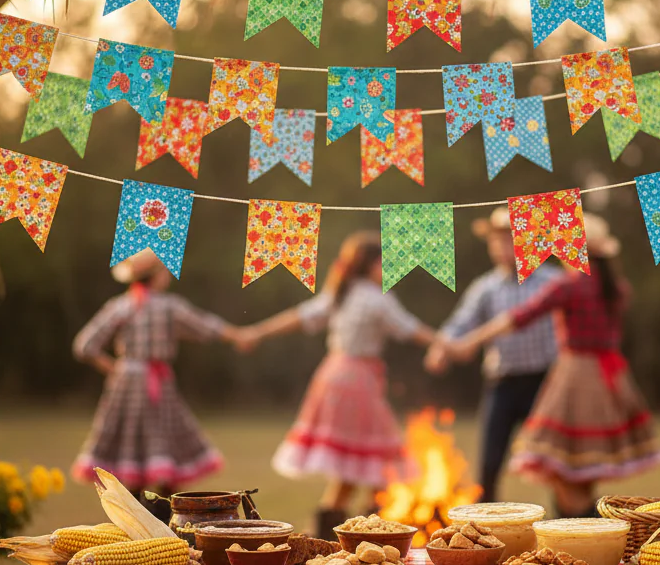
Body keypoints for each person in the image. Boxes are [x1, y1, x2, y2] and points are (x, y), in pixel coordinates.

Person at [451, 215, 660, 518]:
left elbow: (518, 317)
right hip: (609, 375)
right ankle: (581, 517)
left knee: (556, 459)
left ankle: (577, 519)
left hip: (576, 374)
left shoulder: (570, 286)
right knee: (583, 462)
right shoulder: (615, 287)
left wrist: (471, 341)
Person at [241, 231, 441, 539]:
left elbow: (299, 316)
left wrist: (258, 332)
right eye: (384, 264)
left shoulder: (341, 292)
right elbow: (410, 328)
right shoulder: (376, 298)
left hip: (333, 375)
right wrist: (448, 344)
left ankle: (329, 535)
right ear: (372, 264)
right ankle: (363, 534)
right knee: (378, 466)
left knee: (353, 469)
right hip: (356, 381)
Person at [71, 250, 239, 495]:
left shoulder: (120, 306)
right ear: (158, 276)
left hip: (127, 383)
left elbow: (84, 345)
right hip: (156, 384)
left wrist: (113, 367)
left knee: (132, 449)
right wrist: (238, 336)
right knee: (165, 446)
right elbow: (204, 326)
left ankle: (136, 514)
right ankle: (169, 514)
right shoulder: (168, 306)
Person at [425, 207, 560, 504]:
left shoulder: (552, 281)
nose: (500, 248)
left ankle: (567, 524)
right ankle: (487, 527)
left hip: (546, 382)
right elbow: (461, 322)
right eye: (495, 241)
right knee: (490, 461)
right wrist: (441, 347)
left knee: (557, 460)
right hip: (503, 384)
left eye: (508, 240)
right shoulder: (486, 287)